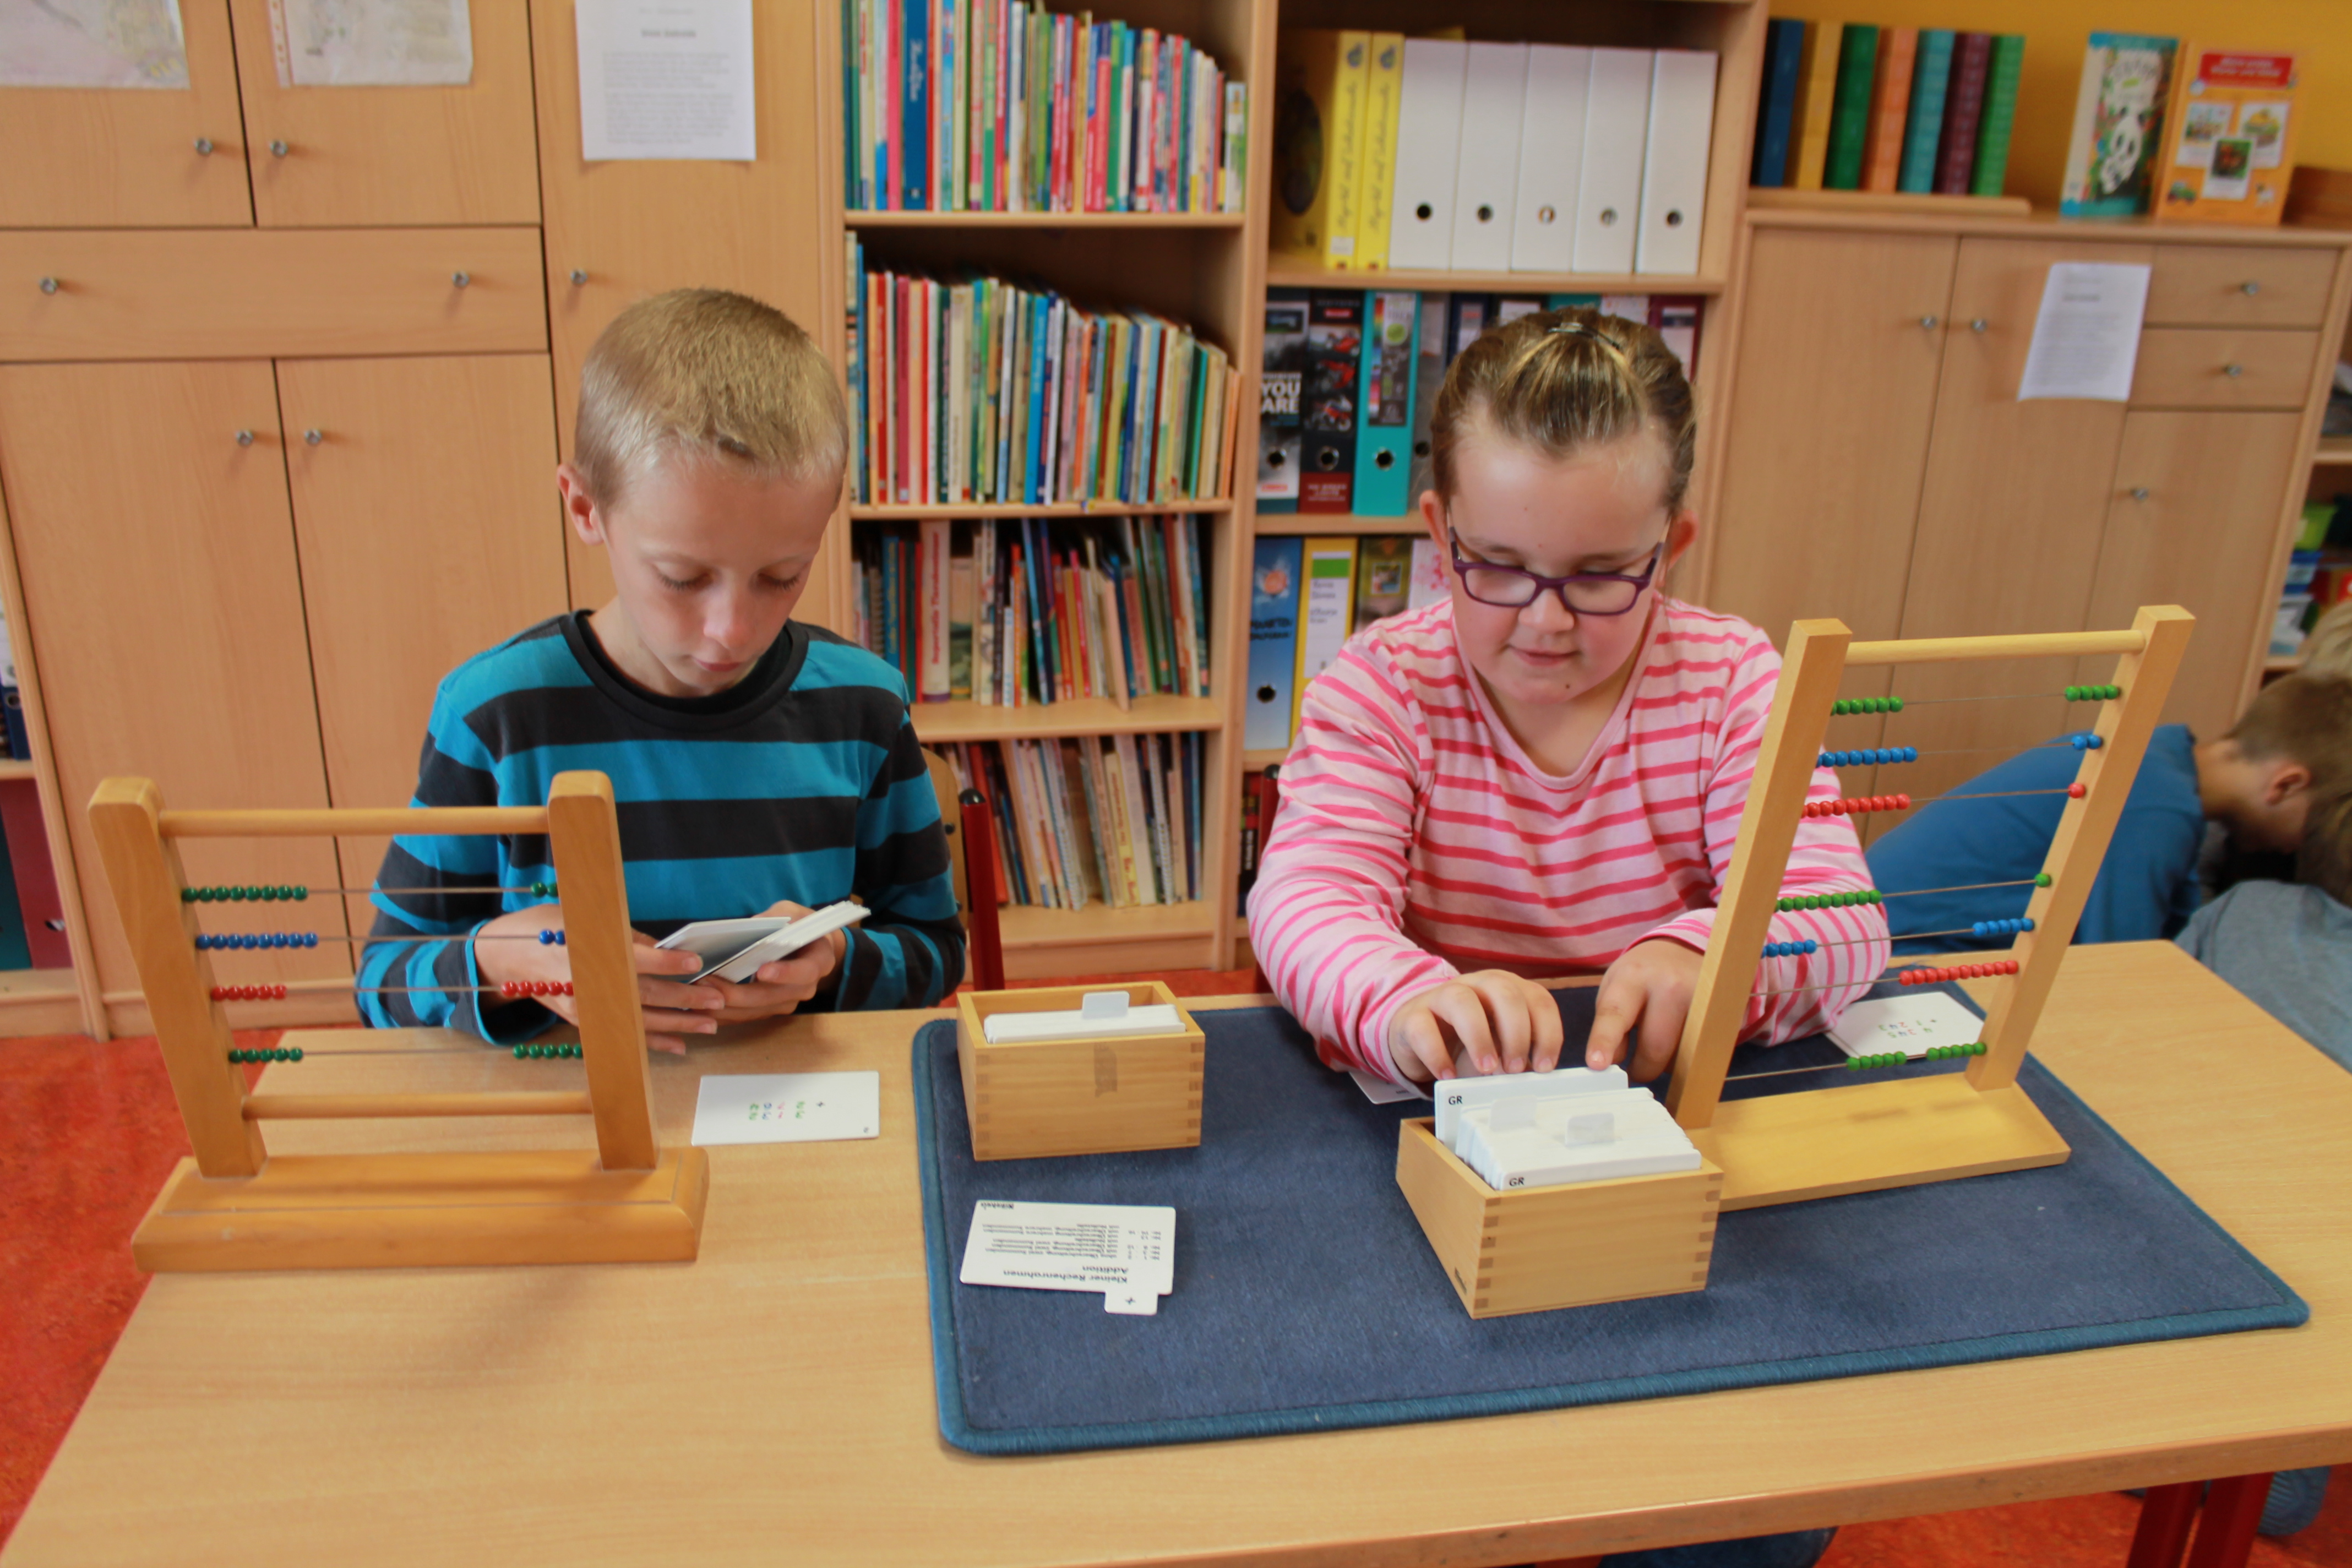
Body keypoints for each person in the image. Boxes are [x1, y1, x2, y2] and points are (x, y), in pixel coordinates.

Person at [1248, 304, 1888, 1093]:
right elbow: (1307, 897)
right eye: (1498, 565)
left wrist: (1710, 959)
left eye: (1600, 575)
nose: (1545, 620)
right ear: (1441, 535)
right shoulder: (1384, 686)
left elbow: (1841, 913)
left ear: (1669, 551)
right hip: (1451, 1099)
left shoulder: (1732, 683)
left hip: (1665, 1099)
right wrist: (1403, 1001)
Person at [357, 288, 961, 1051]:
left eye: (782, 576)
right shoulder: (495, 714)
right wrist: (498, 960)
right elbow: (380, 982)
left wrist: (835, 959)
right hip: (580, 1104)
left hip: (786, 1104)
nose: (732, 629)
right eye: (682, 578)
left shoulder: (862, 705)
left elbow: (936, 949)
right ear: (586, 509)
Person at [1866, 673, 2352, 952]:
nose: (2304, 845)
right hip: (1900, 959)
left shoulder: (2157, 761)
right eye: (2323, 819)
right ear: (2287, 784)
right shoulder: (2155, 806)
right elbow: (2116, 970)